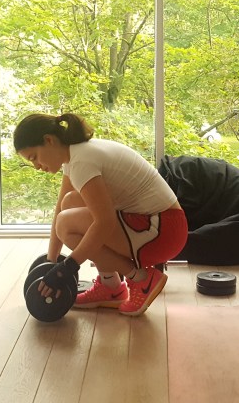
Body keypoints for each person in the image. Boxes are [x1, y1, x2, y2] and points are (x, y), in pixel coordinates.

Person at [13, 113, 187, 316]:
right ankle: (110, 287)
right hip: (155, 223)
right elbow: (61, 207)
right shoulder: (75, 156)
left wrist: (66, 268)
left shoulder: (82, 163)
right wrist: (51, 263)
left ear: (49, 140)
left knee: (66, 225)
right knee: (69, 203)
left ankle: (140, 278)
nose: (36, 166)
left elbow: (105, 222)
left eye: (34, 157)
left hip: (163, 232)